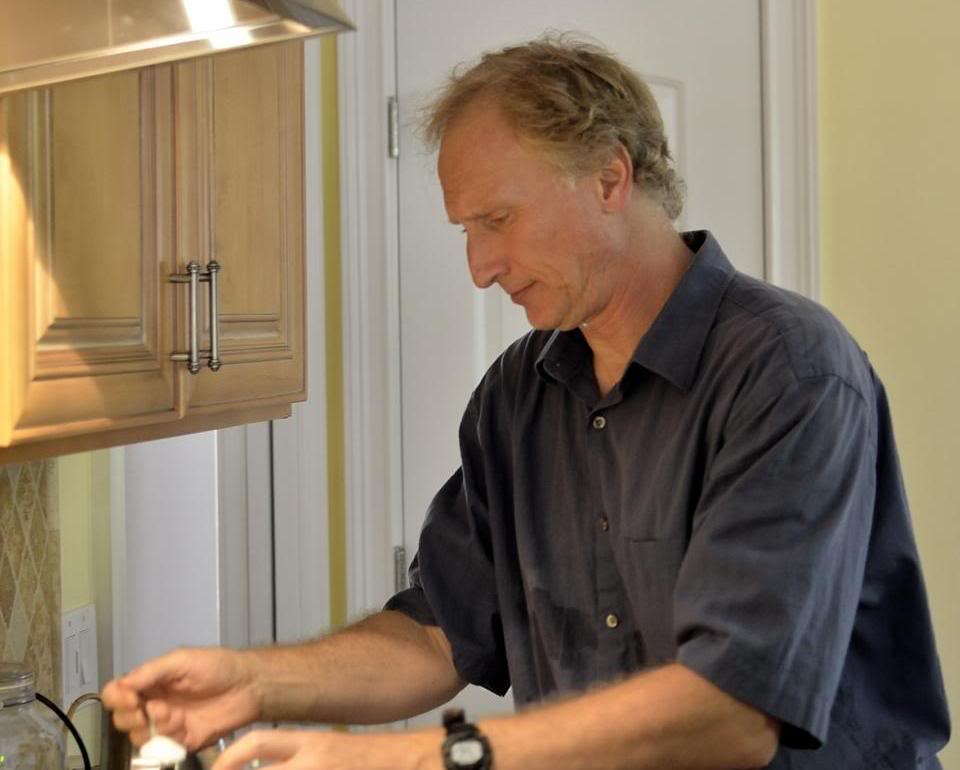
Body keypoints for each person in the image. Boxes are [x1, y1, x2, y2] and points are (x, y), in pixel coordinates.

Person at [102, 36, 950, 770]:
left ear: (610, 177)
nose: (480, 267)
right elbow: (440, 633)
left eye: (498, 219)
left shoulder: (790, 373)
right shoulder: (518, 394)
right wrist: (255, 682)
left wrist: (412, 757)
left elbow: (731, 712)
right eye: (466, 230)